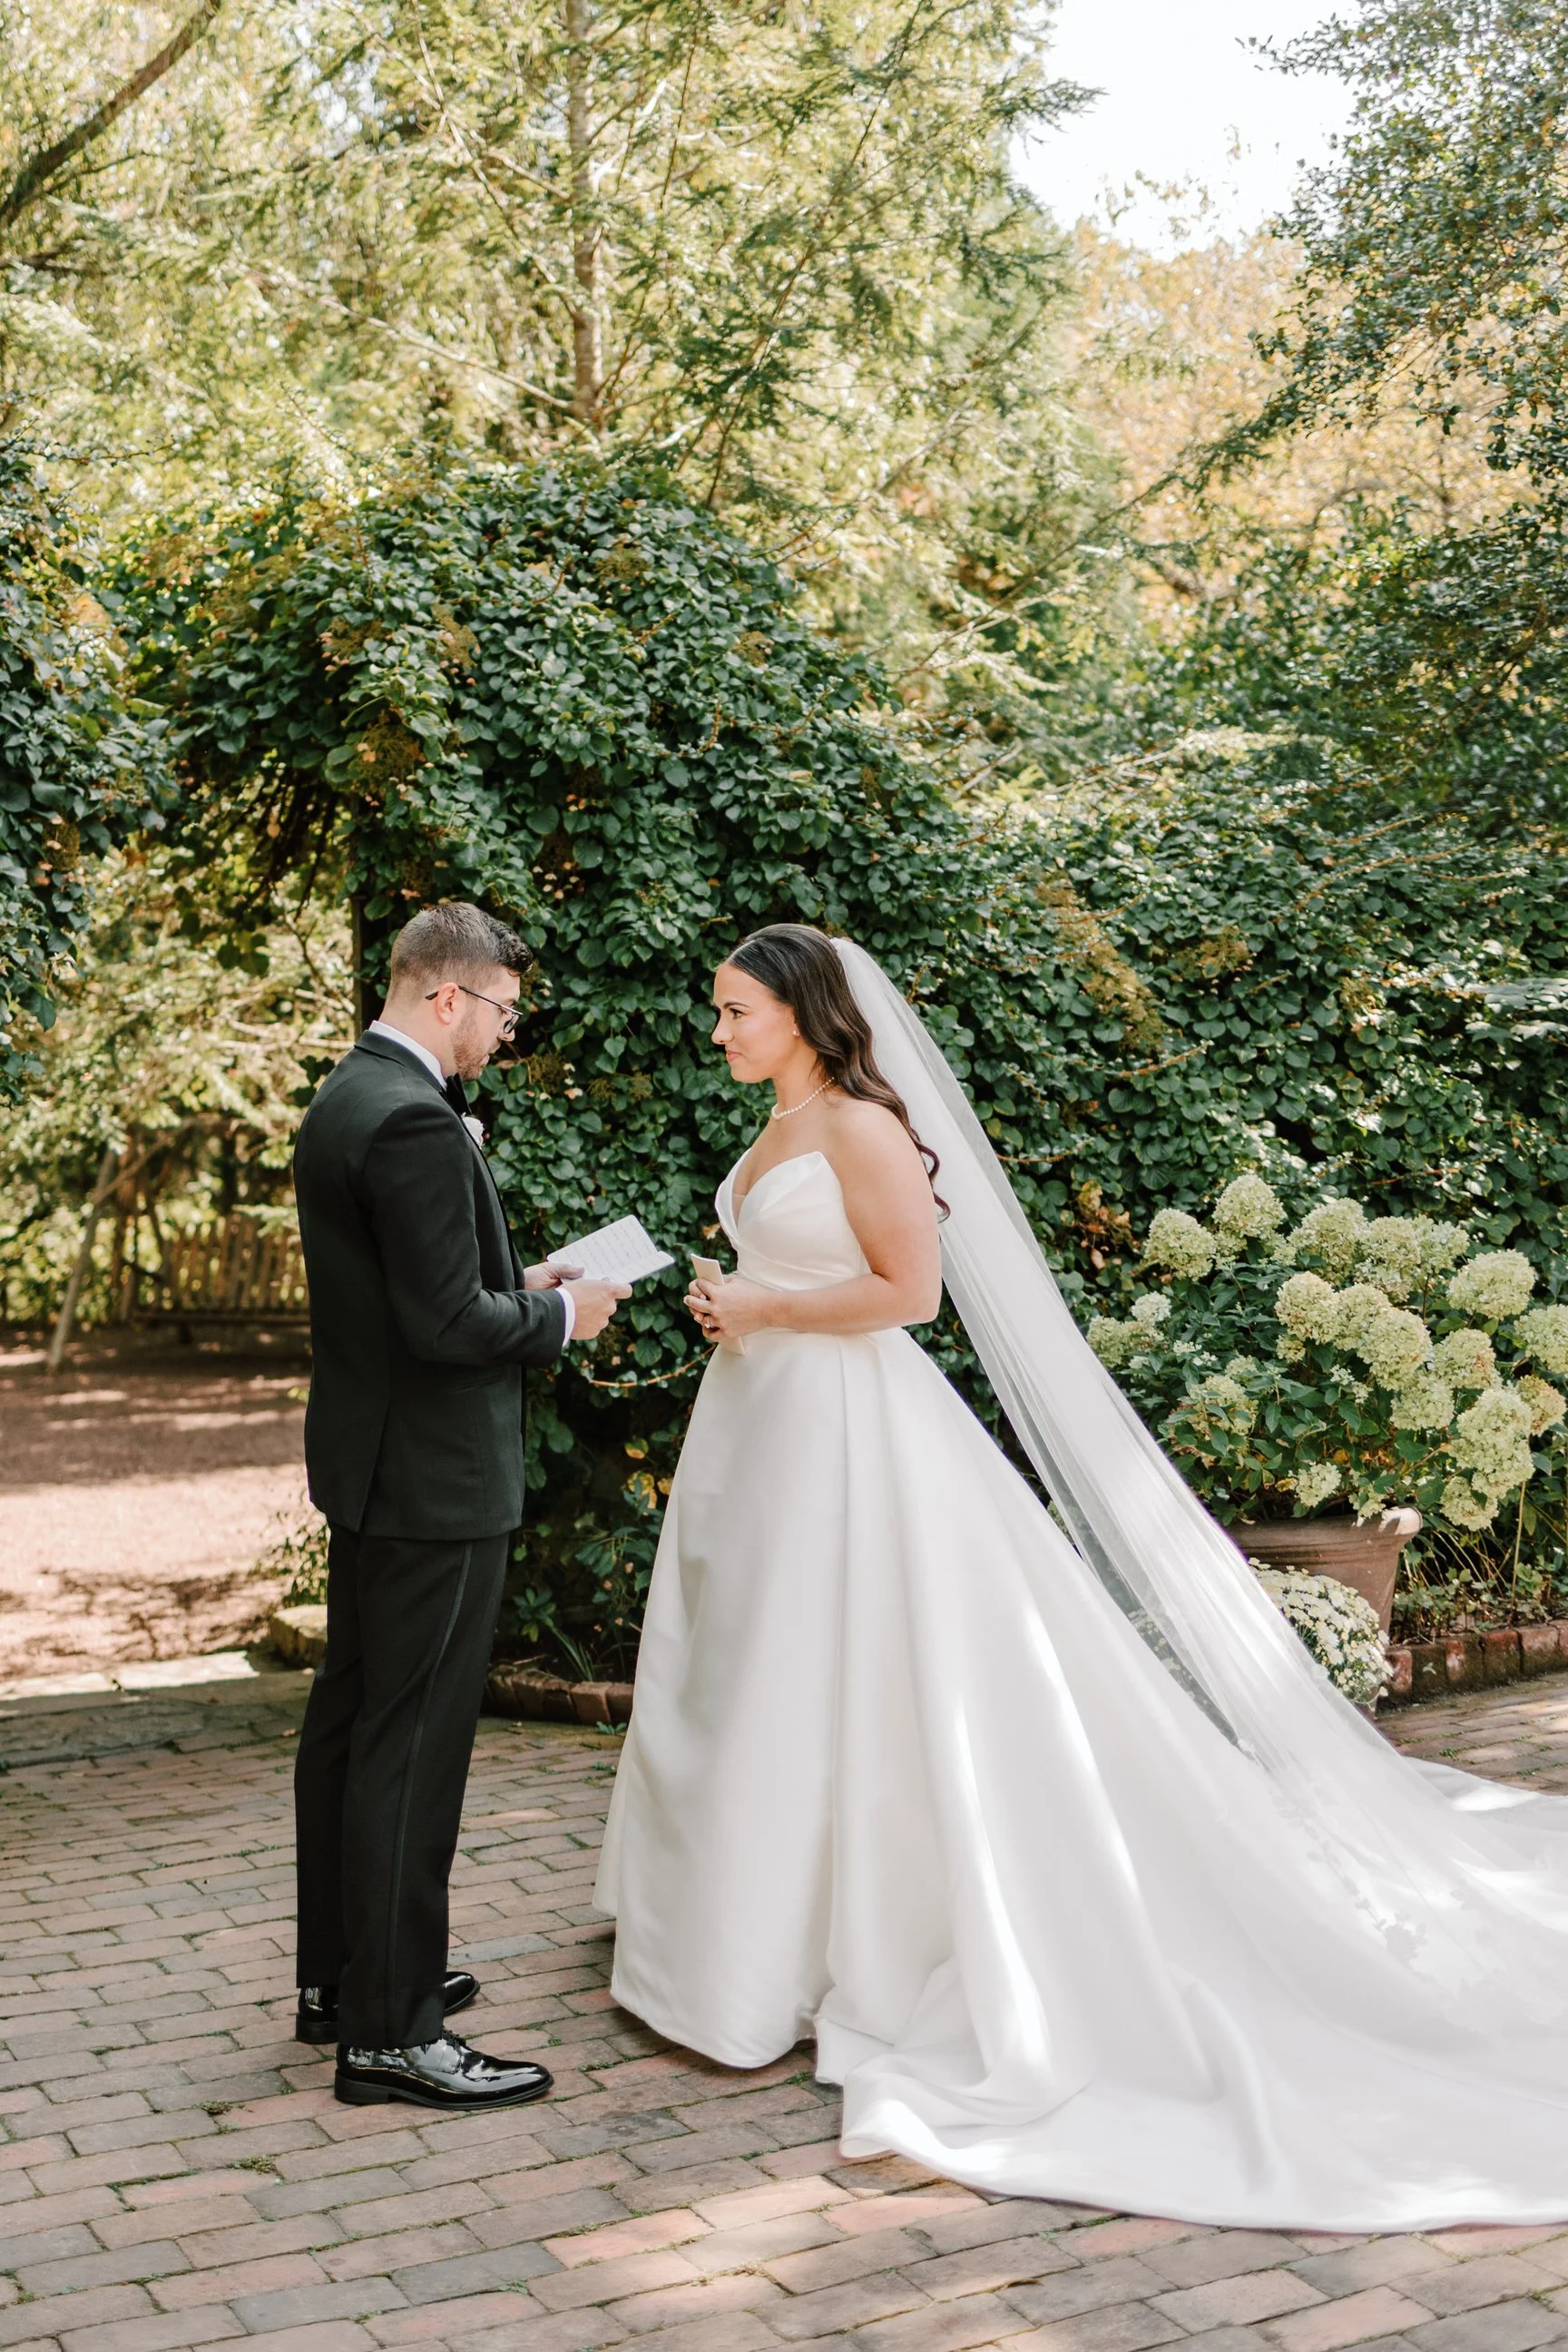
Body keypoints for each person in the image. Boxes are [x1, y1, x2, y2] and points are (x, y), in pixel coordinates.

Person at [597, 921, 1568, 2230]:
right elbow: (799, 1270)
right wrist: (740, 1302)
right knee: (757, 1671)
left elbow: (913, 1292)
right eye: (718, 1011)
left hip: (850, 1435)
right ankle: (740, 1940)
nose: (718, 1031)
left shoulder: (864, 1128)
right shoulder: (776, 1124)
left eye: (735, 1012)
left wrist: (768, 1309)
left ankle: (840, 1949)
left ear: (807, 1016)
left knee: (845, 1674)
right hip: (759, 1430)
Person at [292, 901, 628, 2112]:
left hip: (374, 1468)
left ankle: (345, 1974)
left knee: (351, 1723)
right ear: (448, 996)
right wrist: (559, 1317)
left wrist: (516, 1276)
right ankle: (392, 2033)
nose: (505, 1032)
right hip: (434, 1480)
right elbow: (446, 1331)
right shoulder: (420, 1123)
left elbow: (406, 1291)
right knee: (412, 1743)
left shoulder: (350, 1097)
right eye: (499, 1011)